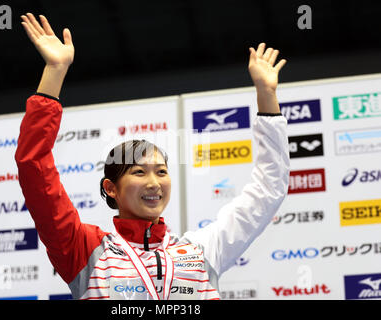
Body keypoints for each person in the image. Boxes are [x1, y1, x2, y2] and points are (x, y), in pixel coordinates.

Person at [15, 13, 290, 300]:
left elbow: (268, 190)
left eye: (161, 171)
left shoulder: (202, 250)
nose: (153, 183)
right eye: (139, 172)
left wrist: (267, 96)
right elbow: (34, 167)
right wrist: (55, 71)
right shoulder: (84, 249)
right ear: (111, 188)